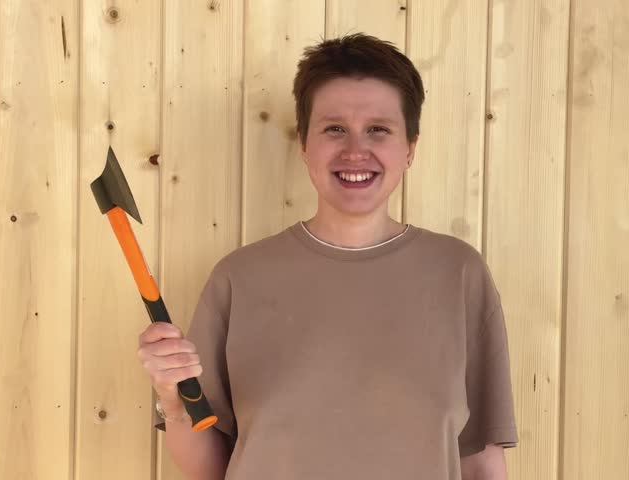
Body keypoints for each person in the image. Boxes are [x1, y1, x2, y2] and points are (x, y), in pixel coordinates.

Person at [137, 33, 518, 480]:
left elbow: (480, 460)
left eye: (378, 129)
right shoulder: (239, 278)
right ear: (304, 143)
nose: (356, 151)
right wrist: (171, 397)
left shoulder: (458, 274)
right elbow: (208, 470)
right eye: (334, 128)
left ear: (410, 147)